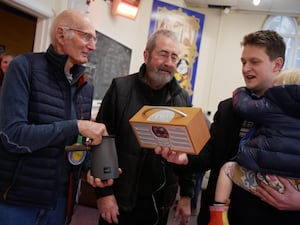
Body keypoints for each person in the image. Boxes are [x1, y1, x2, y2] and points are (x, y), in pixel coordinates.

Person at [155, 30, 300, 225]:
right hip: (222, 218)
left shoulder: (295, 113)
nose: (246, 68)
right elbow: (209, 154)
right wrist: (184, 158)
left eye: (254, 62)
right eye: (243, 62)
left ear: (277, 64)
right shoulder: (229, 108)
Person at [0, 9, 112, 225]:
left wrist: (91, 167)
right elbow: (12, 136)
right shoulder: (23, 67)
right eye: (86, 36)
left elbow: (75, 142)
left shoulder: (85, 86)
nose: (93, 46)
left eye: (95, 39)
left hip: (61, 203)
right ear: (61, 35)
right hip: (18, 202)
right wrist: (76, 126)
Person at [87, 29, 195, 225]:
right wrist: (104, 194)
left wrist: (187, 194)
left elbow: (186, 150)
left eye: (174, 57)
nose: (168, 63)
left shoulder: (182, 99)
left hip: (158, 204)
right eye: (163, 54)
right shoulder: (120, 89)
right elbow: (101, 140)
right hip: (118, 201)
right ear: (147, 55)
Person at [209, 68, 300, 224]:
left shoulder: (272, 106)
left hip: (265, 179)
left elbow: (244, 105)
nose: (246, 68)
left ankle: (218, 215)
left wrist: (240, 91)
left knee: (227, 169)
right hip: (295, 185)